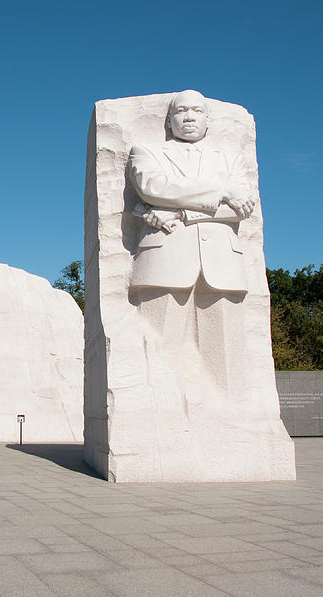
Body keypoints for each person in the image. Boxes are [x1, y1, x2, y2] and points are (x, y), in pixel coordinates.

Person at [127, 89, 255, 398]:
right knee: (158, 353)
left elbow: (243, 208)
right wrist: (221, 193)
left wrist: (182, 212)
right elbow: (153, 187)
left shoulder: (232, 160)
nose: (189, 117)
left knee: (226, 364)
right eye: (181, 111)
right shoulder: (145, 152)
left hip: (222, 262)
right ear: (169, 120)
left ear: (208, 120)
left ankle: (231, 422)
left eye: (197, 111)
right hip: (164, 259)